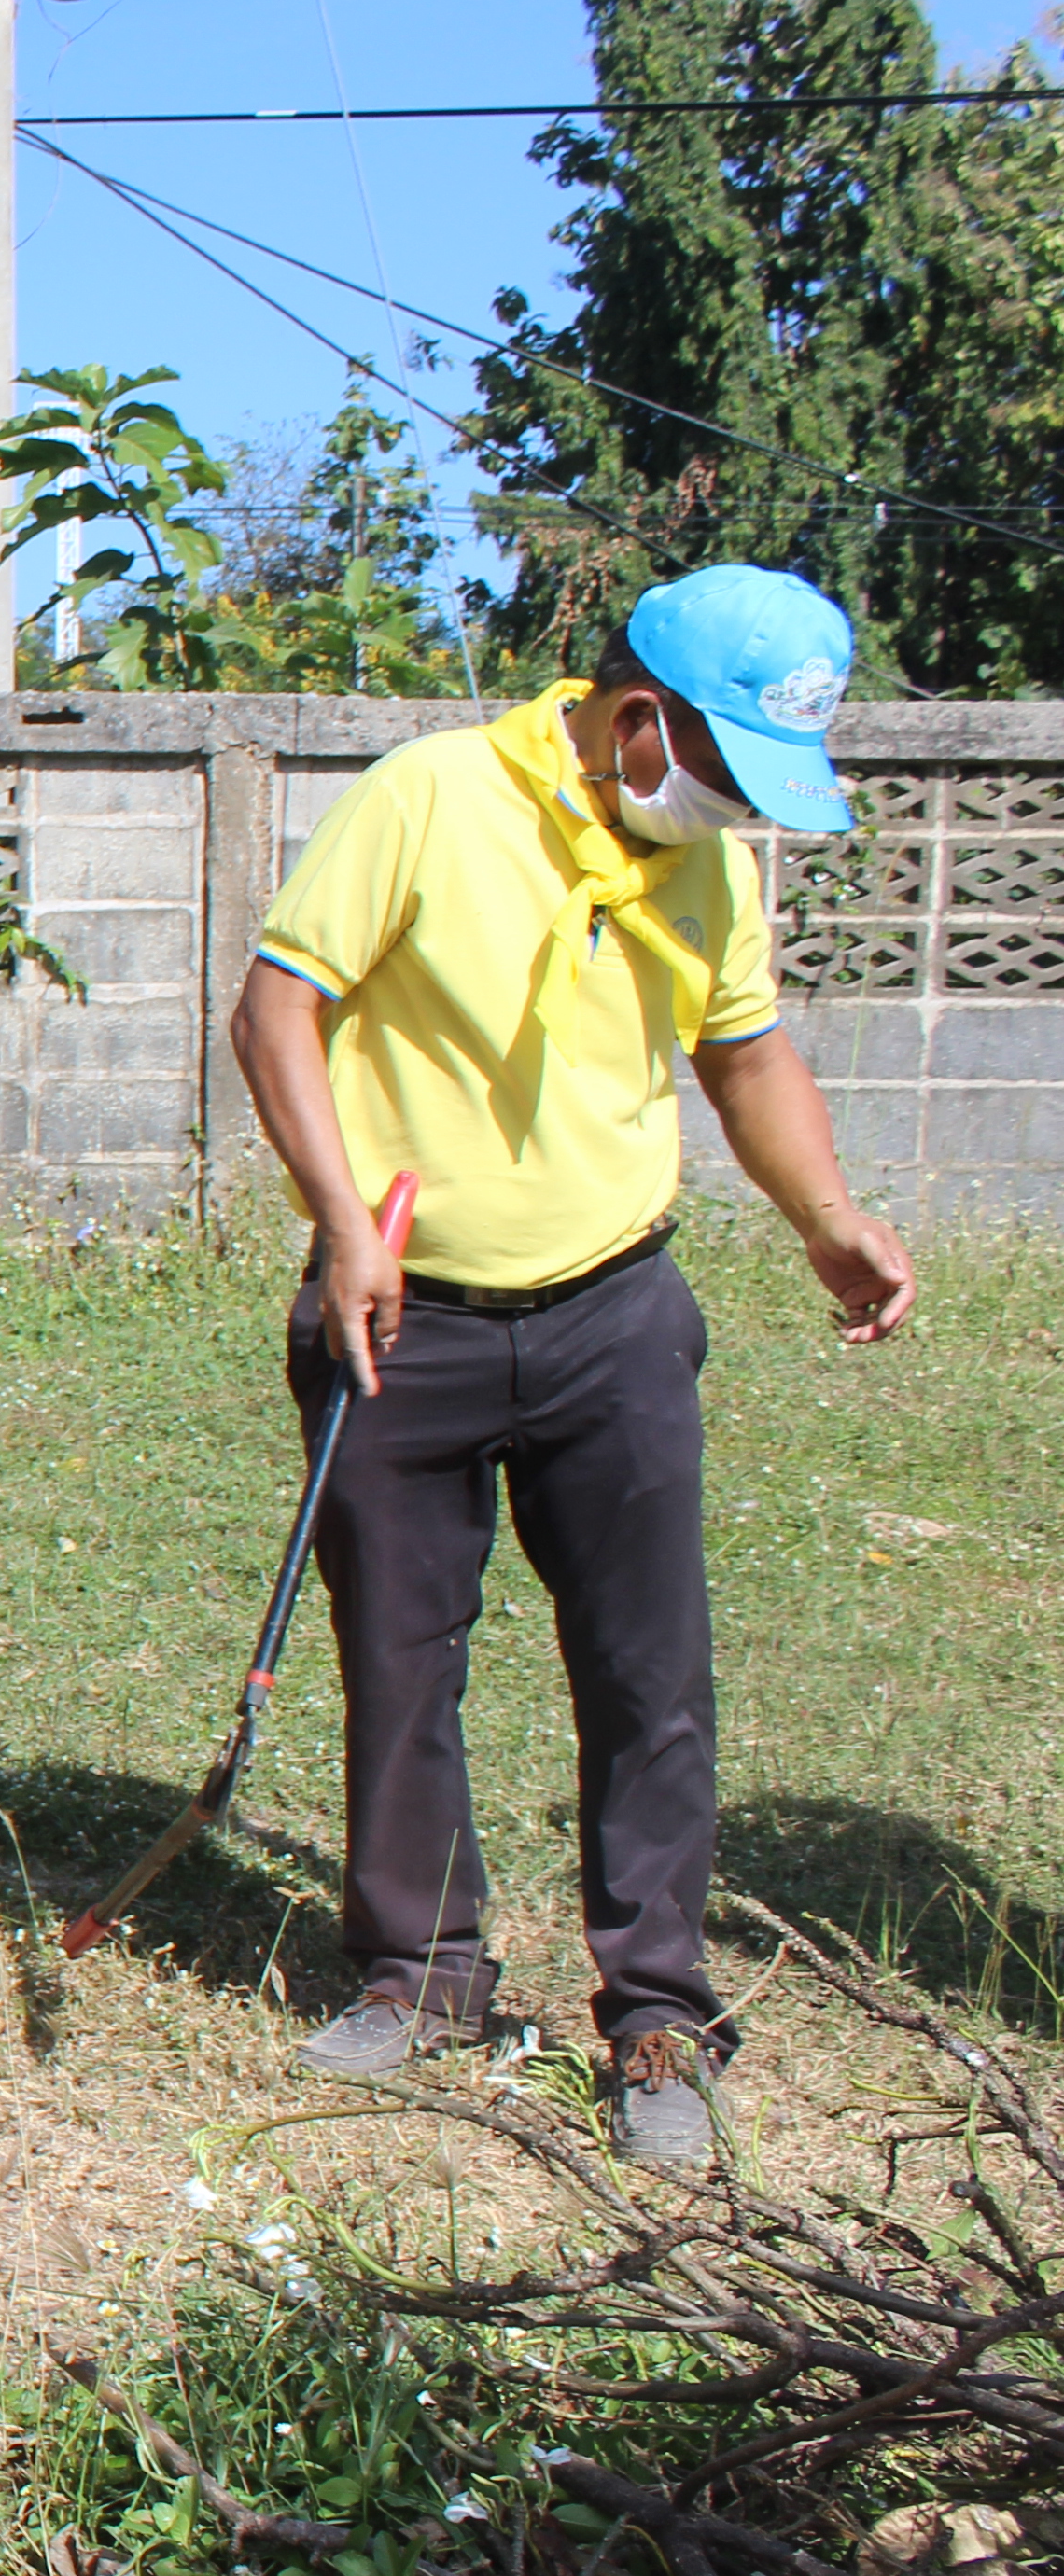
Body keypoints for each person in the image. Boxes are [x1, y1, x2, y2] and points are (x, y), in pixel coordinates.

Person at [236, 563, 916, 2166]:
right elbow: (278, 1009)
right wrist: (345, 1223)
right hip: (403, 1311)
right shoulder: (432, 799)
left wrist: (826, 1218)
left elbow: (745, 1052)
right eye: (727, 774)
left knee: (647, 1670)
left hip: (616, 1314)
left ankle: (658, 2012)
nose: (735, 816)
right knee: (402, 1655)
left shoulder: (703, 872)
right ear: (635, 720)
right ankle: (421, 1972)